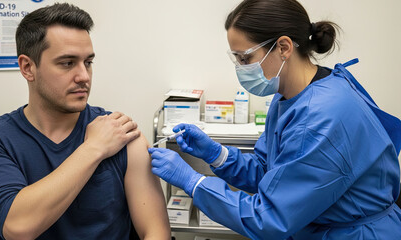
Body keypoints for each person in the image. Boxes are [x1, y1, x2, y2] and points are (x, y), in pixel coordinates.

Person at [148, 0, 401, 239]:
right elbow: (272, 173)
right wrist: (217, 154)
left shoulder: (320, 117)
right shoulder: (289, 96)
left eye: (245, 58)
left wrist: (193, 182)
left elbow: (269, 218)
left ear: (283, 47)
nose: (240, 68)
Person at [0, 3, 170, 240]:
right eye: (67, 63)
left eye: (88, 62)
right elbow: (17, 227)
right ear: (28, 67)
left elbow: (156, 232)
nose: (84, 76)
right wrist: (94, 148)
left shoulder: (121, 134)